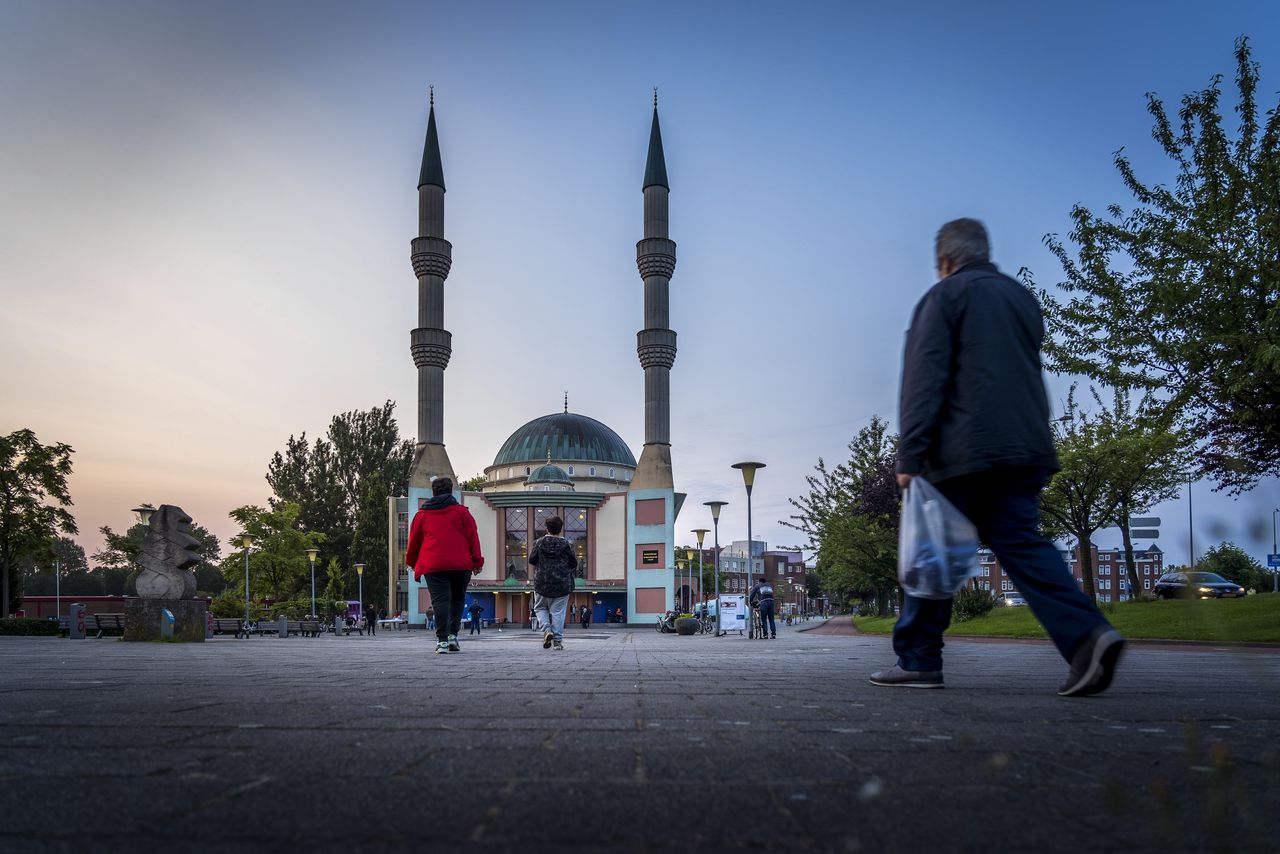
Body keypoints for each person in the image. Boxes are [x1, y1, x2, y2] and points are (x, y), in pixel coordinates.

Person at [873, 218, 1124, 696]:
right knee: (1021, 542)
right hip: (1025, 445)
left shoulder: (944, 297)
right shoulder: (1019, 298)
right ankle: (1087, 634)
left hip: (964, 449)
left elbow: (924, 380)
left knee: (932, 550)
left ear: (945, 261)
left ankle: (919, 659)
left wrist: (910, 456)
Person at [405, 477, 484, 655]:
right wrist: (477, 561)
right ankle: (453, 636)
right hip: (460, 564)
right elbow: (473, 537)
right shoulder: (462, 513)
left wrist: (411, 562)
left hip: (434, 564)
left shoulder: (422, 515)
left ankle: (442, 641)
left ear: (433, 492)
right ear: (450, 491)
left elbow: (414, 543)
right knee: (457, 599)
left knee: (440, 601)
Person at [527, 515, 577, 651]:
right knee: (558, 613)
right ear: (561, 529)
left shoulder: (539, 542)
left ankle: (547, 630)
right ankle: (557, 642)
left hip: (542, 583)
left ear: (546, 529)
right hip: (562, 583)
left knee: (540, 608)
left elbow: (532, 560)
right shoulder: (567, 544)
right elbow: (574, 563)